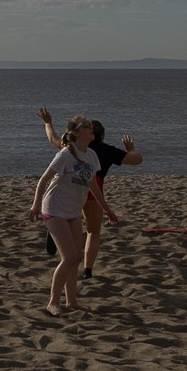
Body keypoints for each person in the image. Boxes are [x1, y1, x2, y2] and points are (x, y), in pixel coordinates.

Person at [37, 107, 141, 279]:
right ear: (101, 135)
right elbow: (137, 160)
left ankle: (56, 231)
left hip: (73, 189)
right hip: (92, 191)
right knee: (93, 231)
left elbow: (53, 139)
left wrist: (48, 122)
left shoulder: (71, 145)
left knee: (67, 216)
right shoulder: (105, 150)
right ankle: (88, 270)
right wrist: (131, 148)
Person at [31, 115, 118, 316]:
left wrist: (107, 209)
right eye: (87, 127)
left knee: (77, 257)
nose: (91, 130)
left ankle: (71, 301)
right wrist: (35, 204)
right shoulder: (66, 154)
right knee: (69, 257)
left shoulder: (92, 156)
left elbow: (94, 186)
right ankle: (53, 302)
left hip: (72, 211)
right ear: (77, 132)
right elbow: (43, 180)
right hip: (54, 208)